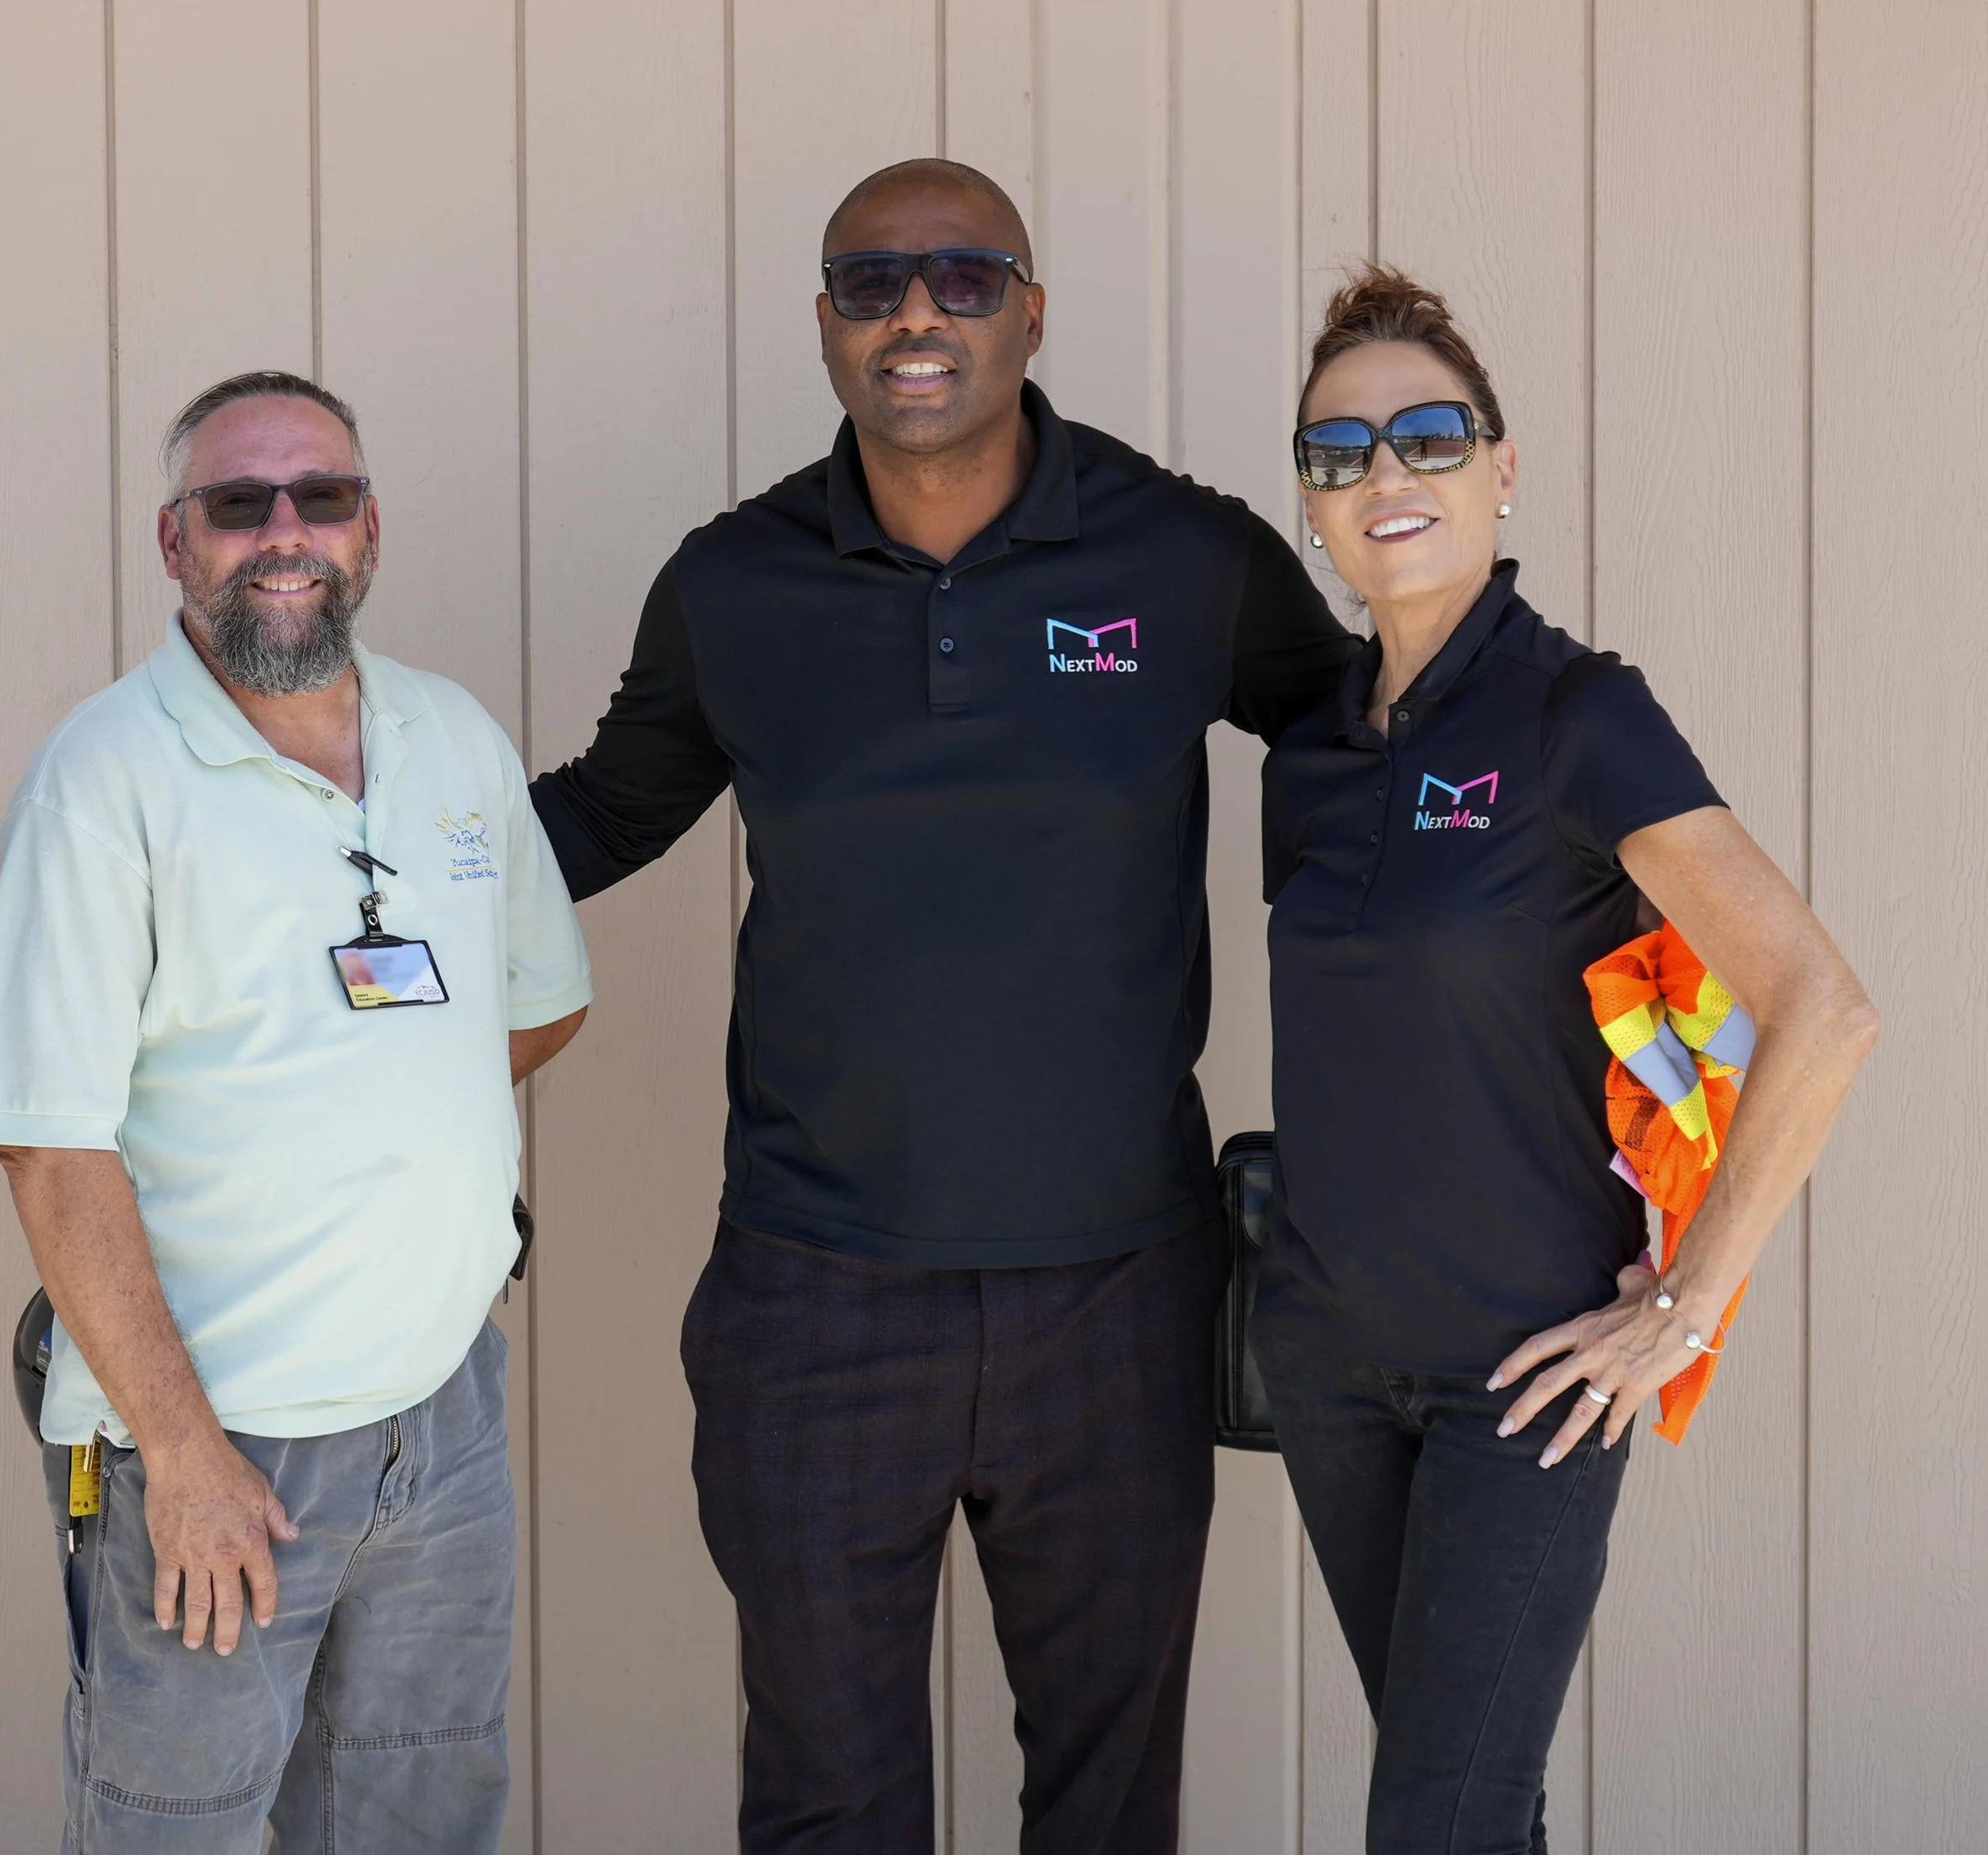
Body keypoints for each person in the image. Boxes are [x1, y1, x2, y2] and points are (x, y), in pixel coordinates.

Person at [531, 159, 1352, 1853]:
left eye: (964, 277)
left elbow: (1366, 754)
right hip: (815, 1293)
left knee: (1108, 1809)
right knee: (827, 1806)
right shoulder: (733, 588)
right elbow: (602, 817)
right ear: (826, 328)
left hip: (1118, 1291)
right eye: (871, 283)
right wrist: (331, 860)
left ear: (1030, 315)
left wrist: (1576, 826)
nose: (917, 312)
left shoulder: (1185, 558)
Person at [1251, 269, 1878, 1854]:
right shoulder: (1309, 754)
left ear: (1502, 467)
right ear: (1312, 503)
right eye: (1339, 451)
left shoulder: (1577, 715)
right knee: (1473, 1811)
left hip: (1524, 1380)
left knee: (1438, 1826)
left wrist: (1687, 1304)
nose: (1385, 474)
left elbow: (1822, 1005)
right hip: (1328, 1365)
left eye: (1430, 435)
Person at [0, 371, 593, 1854]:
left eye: (323, 497)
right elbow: (49, 1143)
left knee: (419, 1816)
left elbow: (542, 1001)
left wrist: (363, 1130)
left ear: (370, 530)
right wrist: (183, 1456)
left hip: (440, 1422)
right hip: (212, 1445)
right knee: (177, 1826)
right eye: (240, 503)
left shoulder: (452, 739)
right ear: (174, 541)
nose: (285, 532)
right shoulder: (103, 782)